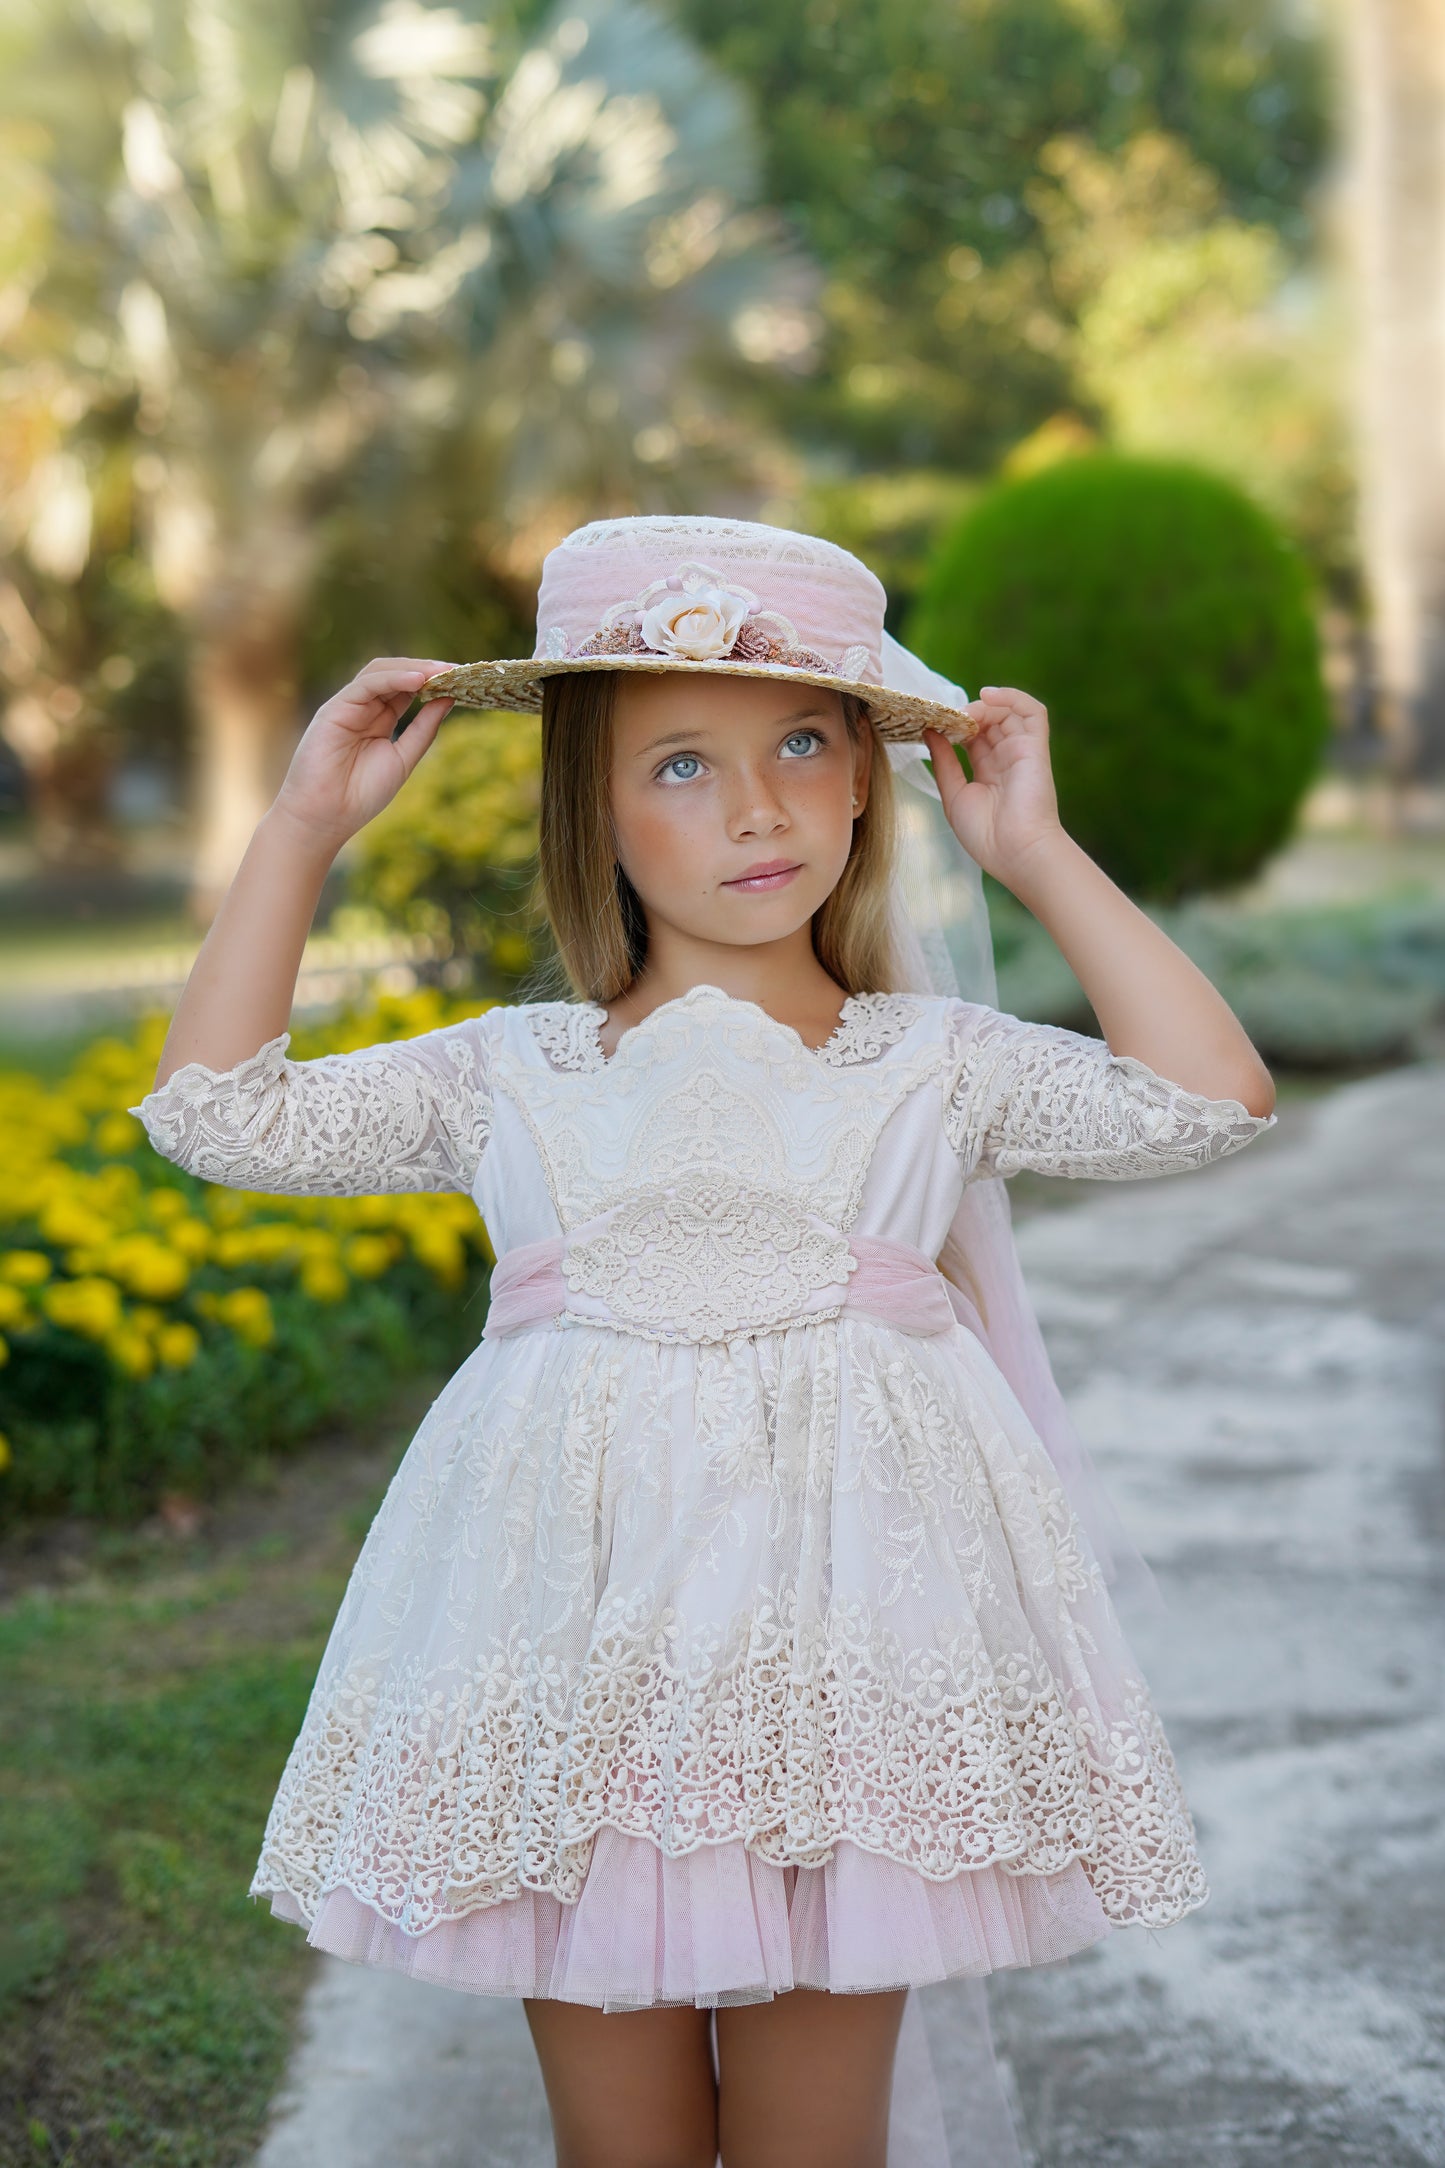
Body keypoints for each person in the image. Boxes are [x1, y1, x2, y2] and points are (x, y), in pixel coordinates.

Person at [131, 516, 1275, 2168]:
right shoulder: (518, 1073)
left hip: (847, 1671)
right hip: (582, 1655)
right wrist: (303, 826)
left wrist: (1033, 854)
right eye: (679, 764)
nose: (756, 808)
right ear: (588, 810)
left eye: (804, 744)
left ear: (870, 779)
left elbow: (1206, 1102)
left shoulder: (929, 1062)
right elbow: (220, 1115)